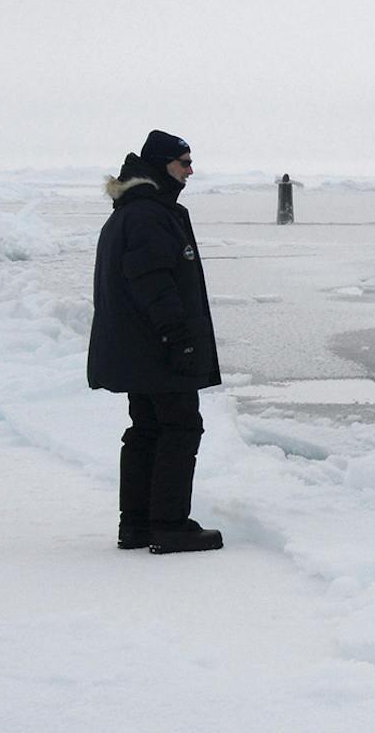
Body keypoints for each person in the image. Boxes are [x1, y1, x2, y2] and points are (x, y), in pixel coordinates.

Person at [88, 130, 225, 554]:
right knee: (180, 426)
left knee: (147, 428)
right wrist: (178, 337)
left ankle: (137, 524)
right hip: (156, 347)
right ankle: (168, 524)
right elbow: (153, 283)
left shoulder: (139, 210)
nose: (190, 170)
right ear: (162, 164)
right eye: (184, 162)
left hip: (139, 348)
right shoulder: (148, 214)